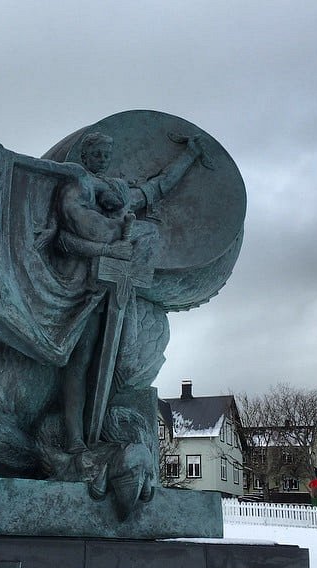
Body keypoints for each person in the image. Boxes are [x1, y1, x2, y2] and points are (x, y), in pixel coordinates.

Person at [57, 130, 206, 453]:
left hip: (120, 294)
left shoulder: (120, 194)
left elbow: (159, 187)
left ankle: (99, 426)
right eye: (97, 154)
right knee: (80, 361)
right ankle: (74, 437)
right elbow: (66, 239)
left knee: (123, 362)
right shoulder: (76, 187)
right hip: (85, 291)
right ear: (85, 155)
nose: (102, 160)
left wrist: (190, 156)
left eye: (106, 155)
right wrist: (106, 249)